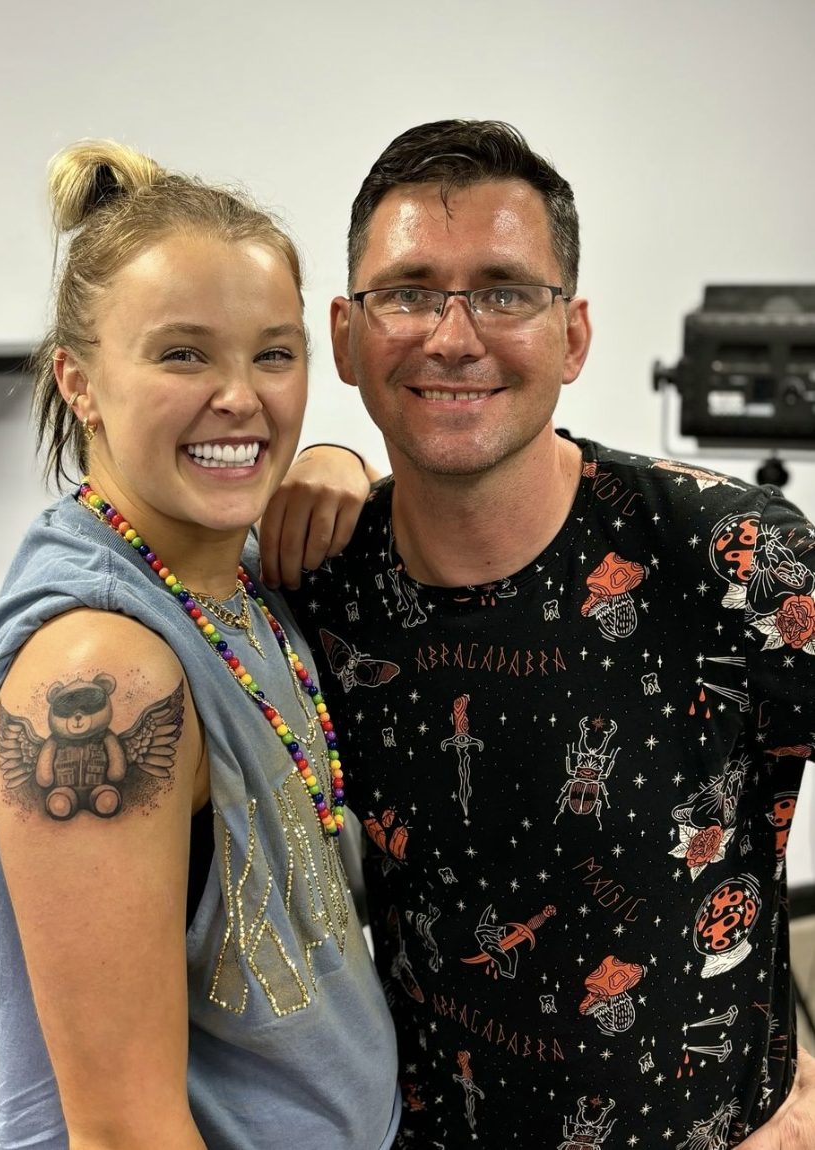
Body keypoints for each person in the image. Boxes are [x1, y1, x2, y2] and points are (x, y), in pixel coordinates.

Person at [260, 119, 815, 1148]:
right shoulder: (317, 585)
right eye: (410, 290)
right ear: (344, 334)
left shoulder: (731, 555)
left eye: (506, 290)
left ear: (573, 333)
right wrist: (326, 459)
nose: (454, 334)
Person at [0, 140, 399, 1150]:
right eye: (182, 354)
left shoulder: (230, 583)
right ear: (80, 382)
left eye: (273, 354)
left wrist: (335, 456)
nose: (240, 396)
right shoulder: (103, 671)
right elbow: (124, 1133)